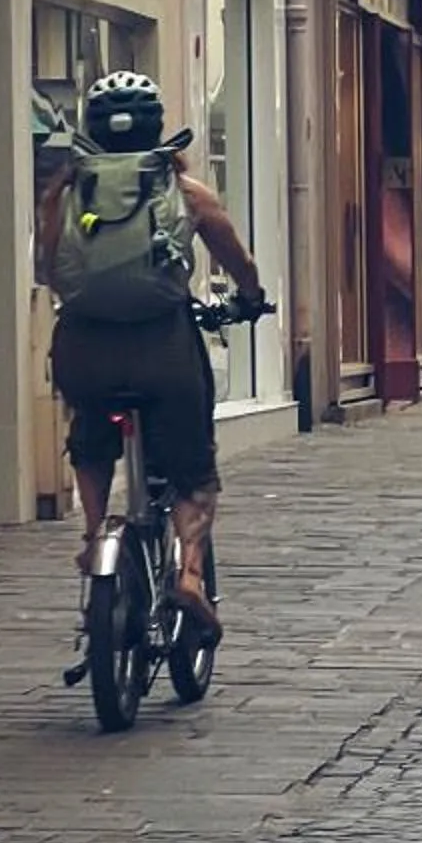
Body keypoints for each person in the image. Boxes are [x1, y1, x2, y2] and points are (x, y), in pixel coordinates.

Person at [40, 70, 262, 636]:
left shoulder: (66, 191)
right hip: (163, 348)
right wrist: (251, 298)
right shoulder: (183, 191)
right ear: (156, 127)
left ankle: (95, 539)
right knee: (192, 468)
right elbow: (235, 255)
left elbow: (50, 267)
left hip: (85, 347)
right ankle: (189, 576)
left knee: (90, 435)